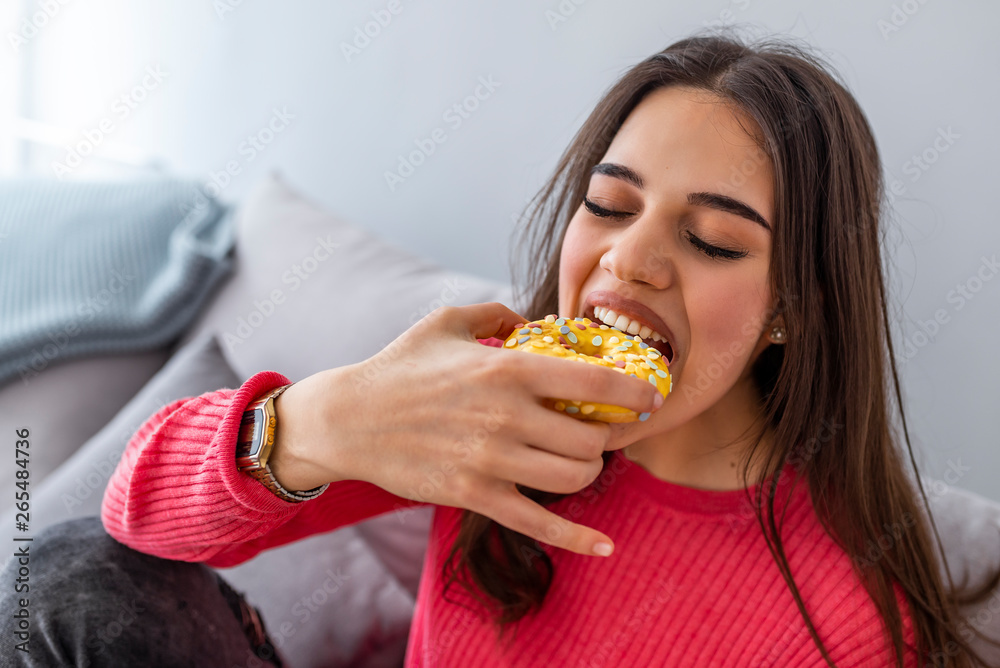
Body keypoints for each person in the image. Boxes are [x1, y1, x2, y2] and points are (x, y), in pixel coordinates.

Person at [3, 31, 998, 667]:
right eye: (608, 205)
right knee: (72, 574)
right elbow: (136, 522)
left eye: (710, 239)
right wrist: (327, 420)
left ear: (795, 305)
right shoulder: (491, 399)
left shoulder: (847, 616)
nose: (631, 257)